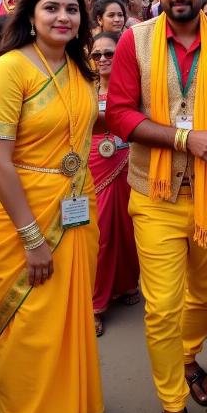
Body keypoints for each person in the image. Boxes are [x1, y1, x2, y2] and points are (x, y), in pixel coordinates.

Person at [106, 0, 207, 413]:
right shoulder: (136, 41)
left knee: (205, 297)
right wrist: (186, 140)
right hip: (155, 193)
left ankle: (187, 358)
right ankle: (172, 402)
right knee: (162, 306)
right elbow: (122, 116)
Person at [0, 0, 105, 413]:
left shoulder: (79, 67)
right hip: (22, 216)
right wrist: (32, 239)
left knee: (70, 321)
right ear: (30, 15)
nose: (63, 17)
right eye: (51, 7)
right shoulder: (9, 70)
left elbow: (84, 126)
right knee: (30, 325)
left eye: (72, 9)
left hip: (75, 205)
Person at [88, 32, 140, 337]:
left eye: (110, 53)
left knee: (127, 228)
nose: (104, 59)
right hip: (94, 162)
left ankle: (124, 284)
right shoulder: (83, 88)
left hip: (128, 161)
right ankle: (95, 303)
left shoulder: (130, 87)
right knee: (101, 232)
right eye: (98, 55)